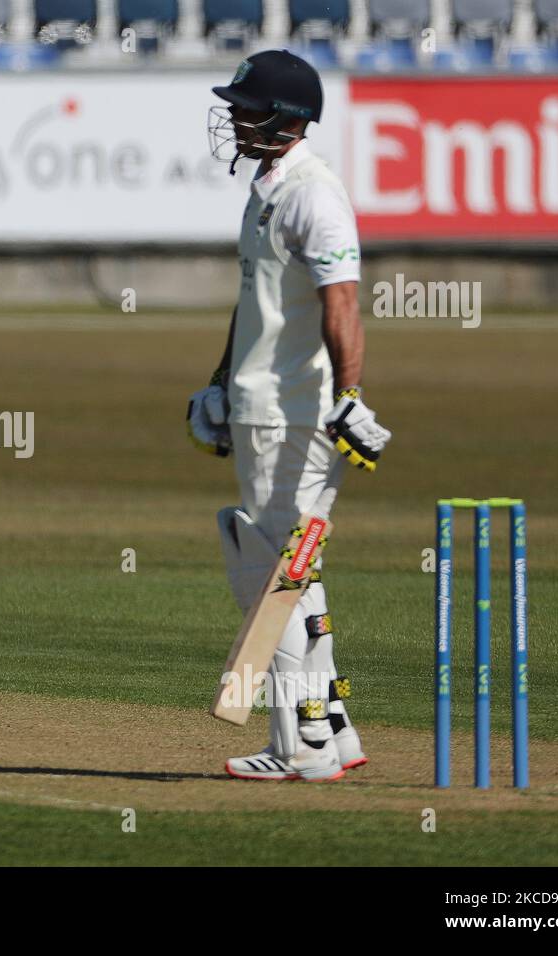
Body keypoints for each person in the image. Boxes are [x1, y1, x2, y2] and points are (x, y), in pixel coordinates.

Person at [189, 50, 392, 780]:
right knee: (296, 574)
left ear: (288, 118)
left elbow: (341, 302)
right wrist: (221, 382)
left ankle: (295, 747)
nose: (235, 117)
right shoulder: (270, 187)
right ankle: (330, 730)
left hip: (292, 419)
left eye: (248, 107)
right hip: (260, 406)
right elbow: (258, 303)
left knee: (269, 572)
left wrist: (350, 395)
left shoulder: (314, 194)